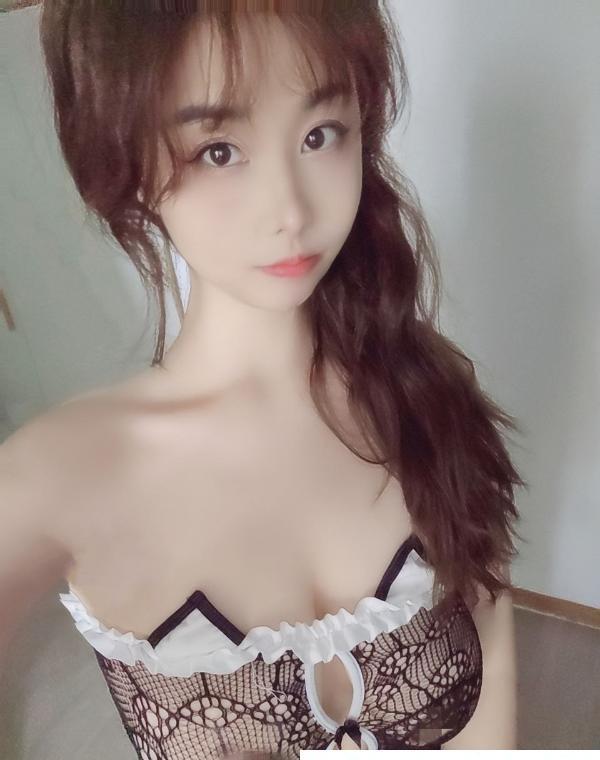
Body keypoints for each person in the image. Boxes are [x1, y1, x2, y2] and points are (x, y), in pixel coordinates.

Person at [1, 1, 526, 756]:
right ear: (125, 160)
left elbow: (492, 670)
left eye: (320, 134)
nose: (290, 210)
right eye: (219, 150)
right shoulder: (52, 477)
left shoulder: (427, 390)